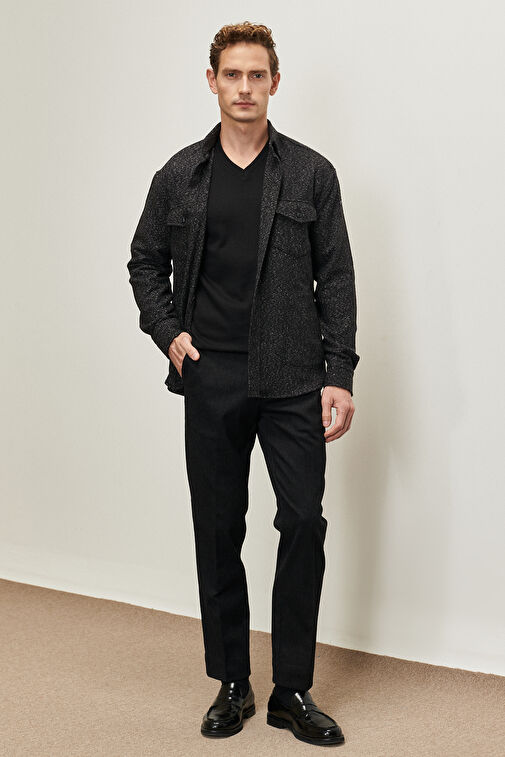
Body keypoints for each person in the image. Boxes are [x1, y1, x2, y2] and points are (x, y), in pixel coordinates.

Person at [127, 20, 359, 747]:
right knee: (218, 528)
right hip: (212, 375)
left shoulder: (311, 173)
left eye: (257, 75)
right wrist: (168, 332)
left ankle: (292, 688)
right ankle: (232, 681)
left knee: (303, 522)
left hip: (293, 376)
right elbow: (144, 260)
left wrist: (339, 373)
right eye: (232, 74)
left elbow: (337, 277)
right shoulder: (179, 175)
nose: (245, 87)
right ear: (212, 81)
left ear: (274, 83)